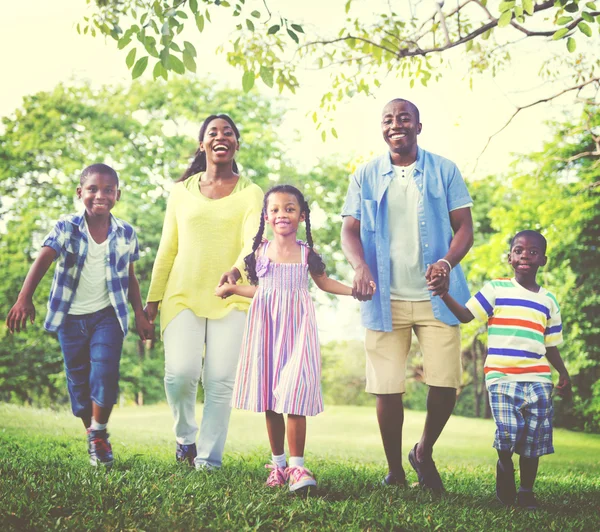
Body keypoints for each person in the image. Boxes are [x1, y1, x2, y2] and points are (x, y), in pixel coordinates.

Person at [341, 98, 474, 493]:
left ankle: (423, 451)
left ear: (418, 126)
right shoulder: (366, 174)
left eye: (404, 118)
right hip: (385, 297)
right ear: (382, 128)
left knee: (446, 383)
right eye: (388, 119)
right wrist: (360, 266)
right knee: (386, 387)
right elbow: (350, 230)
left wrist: (447, 264)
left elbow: (464, 227)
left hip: (438, 295)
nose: (395, 124)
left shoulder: (443, 170)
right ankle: (395, 471)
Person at [216, 185, 366, 493]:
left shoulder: (306, 254)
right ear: (267, 217)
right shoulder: (259, 252)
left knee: (296, 392)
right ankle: (279, 465)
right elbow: (262, 290)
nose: (282, 214)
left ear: (302, 215)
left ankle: (298, 468)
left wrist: (355, 290)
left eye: (289, 208)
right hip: (266, 328)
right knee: (272, 399)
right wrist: (232, 290)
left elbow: (323, 283)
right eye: (275, 209)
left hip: (298, 330)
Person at [6, 163, 153, 468]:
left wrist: (140, 314)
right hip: (70, 318)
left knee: (106, 374)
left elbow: (130, 276)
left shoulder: (126, 232)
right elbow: (44, 257)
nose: (100, 195)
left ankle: (98, 434)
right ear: (80, 193)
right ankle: (92, 430)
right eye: (93, 189)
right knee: (78, 383)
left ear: (118, 194)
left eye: (108, 190)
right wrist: (24, 298)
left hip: (108, 316)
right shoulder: (66, 227)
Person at [145, 114, 264, 470]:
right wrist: (152, 301)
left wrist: (237, 271)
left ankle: (209, 460)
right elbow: (167, 248)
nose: (220, 136)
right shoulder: (180, 192)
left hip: (232, 297)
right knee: (179, 374)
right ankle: (185, 438)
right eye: (213, 132)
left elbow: (253, 243)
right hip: (182, 294)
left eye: (228, 132)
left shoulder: (251, 193)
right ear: (203, 144)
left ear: (237, 144)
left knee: (220, 381)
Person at [438, 230, 571, 509]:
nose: (525, 255)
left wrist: (563, 371)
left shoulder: (549, 300)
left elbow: (550, 345)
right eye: (519, 250)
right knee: (508, 432)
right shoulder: (496, 289)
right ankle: (503, 462)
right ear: (510, 257)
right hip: (501, 376)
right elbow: (465, 315)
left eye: (533, 251)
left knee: (534, 438)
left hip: (538, 378)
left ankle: (526, 491)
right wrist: (443, 293)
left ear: (543, 260)